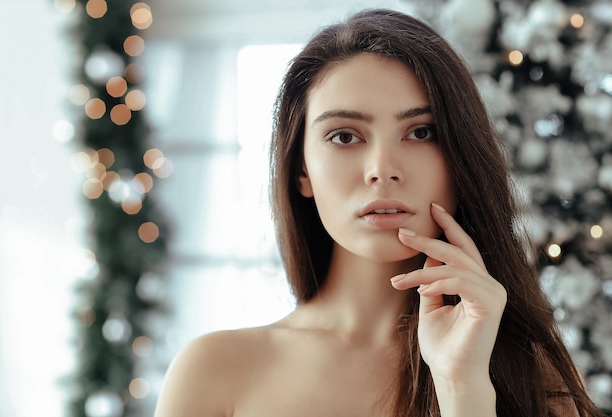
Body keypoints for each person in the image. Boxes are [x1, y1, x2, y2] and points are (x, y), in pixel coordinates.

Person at [154, 8, 604, 417]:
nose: (383, 170)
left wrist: (461, 387)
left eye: (421, 132)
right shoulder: (213, 373)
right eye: (344, 136)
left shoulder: (535, 381)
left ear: (460, 158)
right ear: (301, 171)